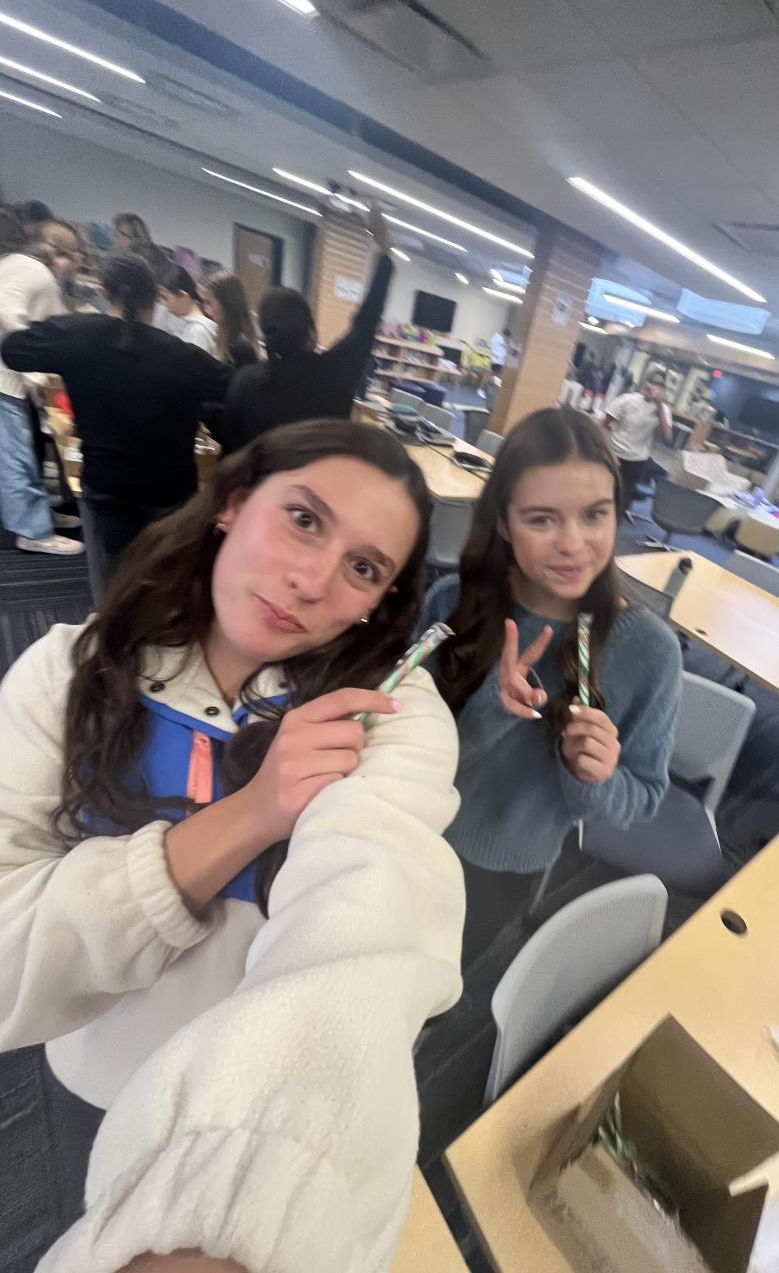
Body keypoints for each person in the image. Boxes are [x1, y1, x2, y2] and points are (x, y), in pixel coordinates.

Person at [0, 420, 465, 1272]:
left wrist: (246, 1202)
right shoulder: (65, 674)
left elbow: (370, 928)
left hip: (254, 1109)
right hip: (90, 1066)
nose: (312, 581)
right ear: (235, 504)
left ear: (379, 601)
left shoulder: (386, 718)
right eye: (303, 519)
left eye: (364, 568)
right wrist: (251, 816)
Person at [421, 407, 681, 966]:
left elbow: (643, 796)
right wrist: (491, 708)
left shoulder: (648, 651)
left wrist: (593, 776)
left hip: (500, 867)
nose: (573, 543)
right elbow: (398, 738)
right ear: (503, 523)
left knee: (433, 983)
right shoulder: (451, 603)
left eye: (595, 515)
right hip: (408, 824)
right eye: (541, 520)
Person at [1, 254, 233, 598]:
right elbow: (231, 385)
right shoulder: (179, 354)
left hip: (106, 487)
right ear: (153, 297)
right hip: (170, 491)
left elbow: (13, 350)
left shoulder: (78, 333)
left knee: (112, 591)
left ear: (105, 291)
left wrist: (60, 330)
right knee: (166, 588)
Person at [218, 207, 394, 455]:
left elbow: (230, 454)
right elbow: (367, 319)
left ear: (265, 331)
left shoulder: (246, 382)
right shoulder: (337, 371)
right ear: (310, 328)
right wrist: (384, 250)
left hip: (265, 480)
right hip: (322, 480)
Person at [0, 208, 84, 556]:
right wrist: (33, 368)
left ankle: (38, 515)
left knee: (21, 452)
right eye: (74, 257)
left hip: (9, 379)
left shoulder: (16, 266)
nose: (75, 265)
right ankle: (33, 531)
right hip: (5, 380)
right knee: (16, 457)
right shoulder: (37, 272)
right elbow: (8, 311)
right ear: (61, 254)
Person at [602, 368, 673, 519]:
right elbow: (603, 426)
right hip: (614, 453)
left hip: (637, 459)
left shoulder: (663, 409)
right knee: (603, 492)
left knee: (623, 499)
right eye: (652, 382)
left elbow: (667, 437)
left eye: (660, 385)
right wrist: (608, 451)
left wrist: (659, 406)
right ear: (645, 383)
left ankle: (615, 523)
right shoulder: (627, 400)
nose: (654, 387)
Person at [199, 268, 260, 368]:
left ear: (226, 304)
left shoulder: (242, 347)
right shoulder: (220, 333)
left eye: (208, 302)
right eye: (203, 301)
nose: (204, 308)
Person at [158, 263, 219, 353]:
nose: (164, 304)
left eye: (165, 298)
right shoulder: (187, 325)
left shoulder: (197, 331)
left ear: (183, 295)